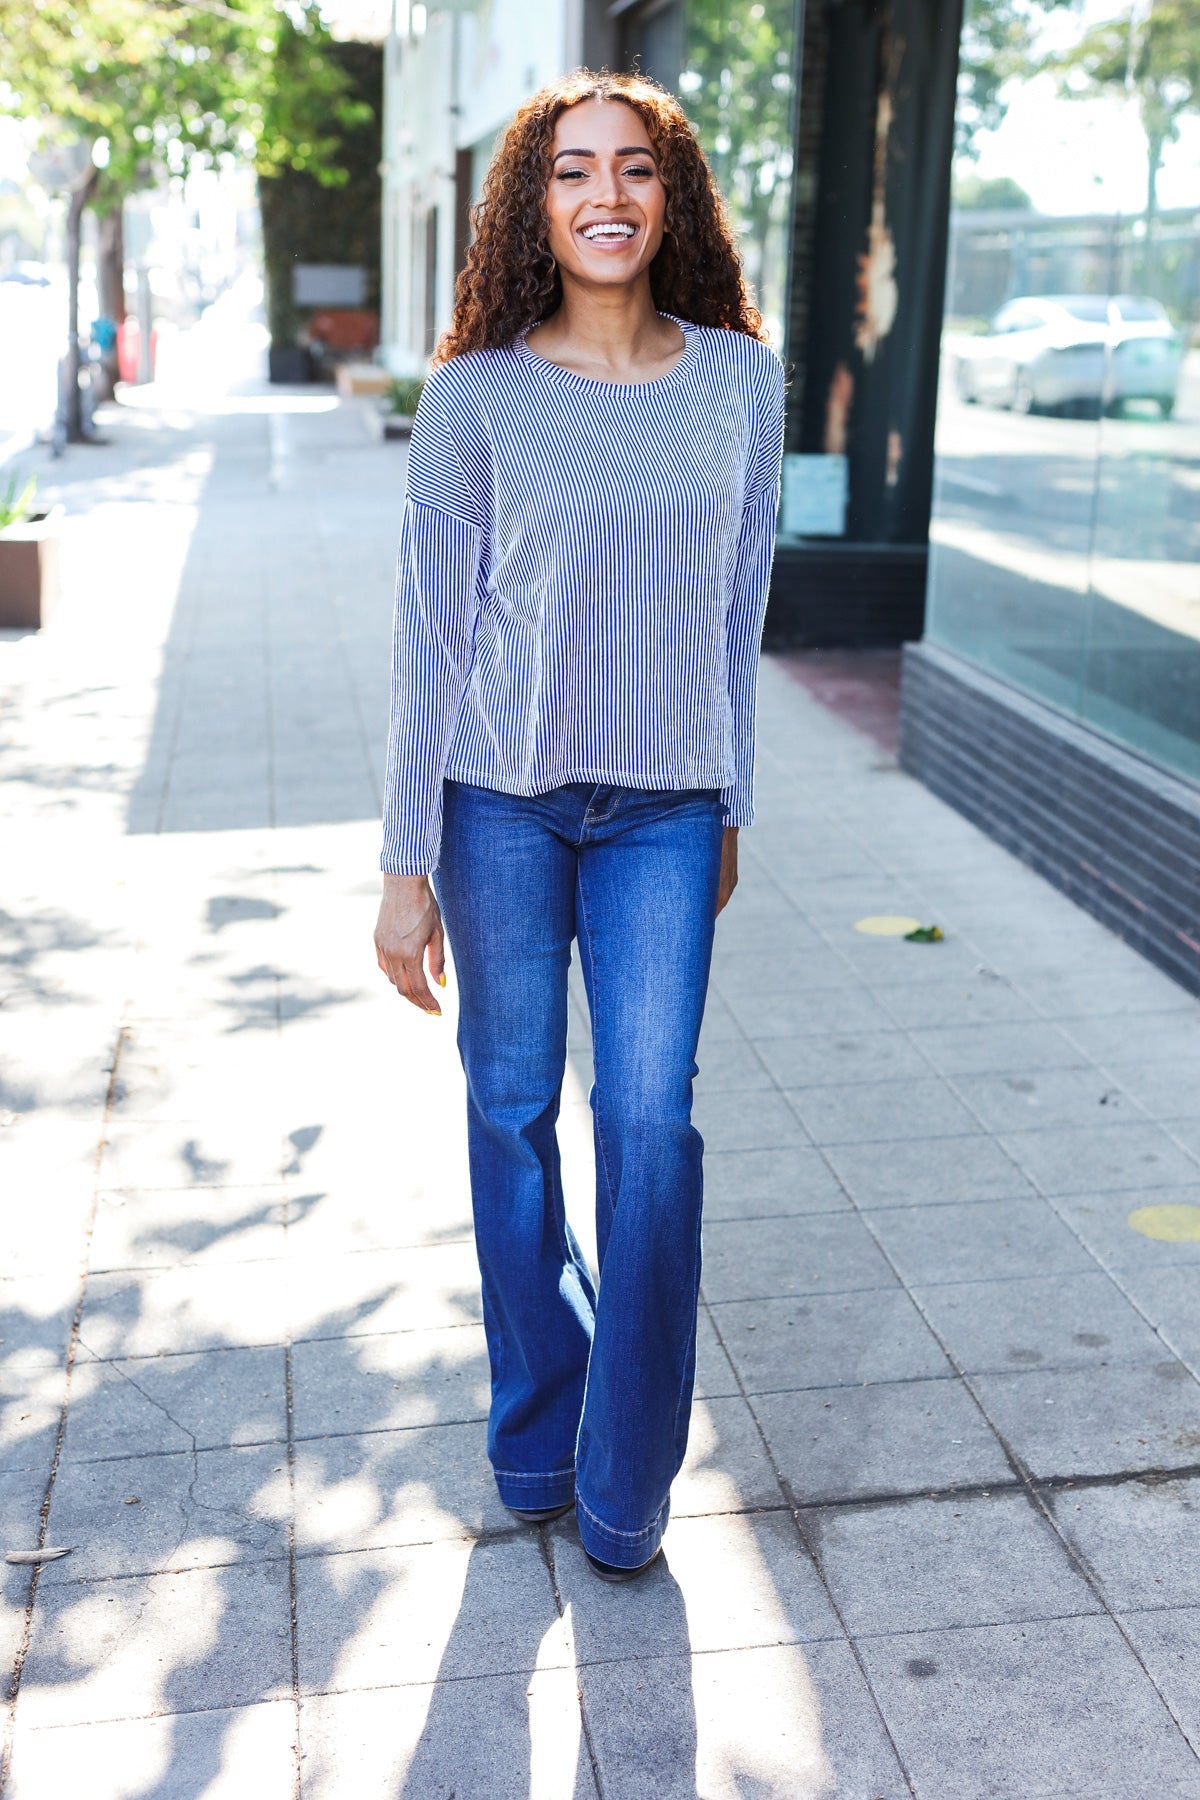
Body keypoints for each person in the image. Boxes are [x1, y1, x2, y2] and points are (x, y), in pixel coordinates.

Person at [374, 68, 785, 1581]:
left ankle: (626, 1482)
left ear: (669, 197)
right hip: (500, 803)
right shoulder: (475, 397)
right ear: (530, 208)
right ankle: (537, 1431)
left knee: (651, 1130)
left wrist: (732, 799)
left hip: (666, 809)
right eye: (570, 173)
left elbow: (740, 611)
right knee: (509, 1113)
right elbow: (430, 637)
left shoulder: (741, 381)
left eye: (634, 170)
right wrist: (404, 864)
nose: (605, 197)